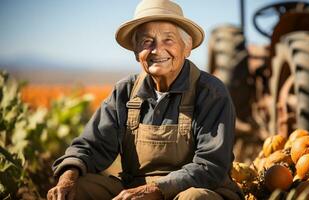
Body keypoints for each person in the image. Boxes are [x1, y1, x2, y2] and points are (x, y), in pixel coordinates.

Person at [47, 0, 243, 199]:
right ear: (136, 51)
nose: (157, 50)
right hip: (135, 190)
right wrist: (68, 178)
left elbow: (210, 166)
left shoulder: (210, 92)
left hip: (197, 189)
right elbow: (90, 146)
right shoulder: (125, 91)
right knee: (77, 188)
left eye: (168, 40)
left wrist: (156, 189)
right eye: (147, 41)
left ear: (187, 47)